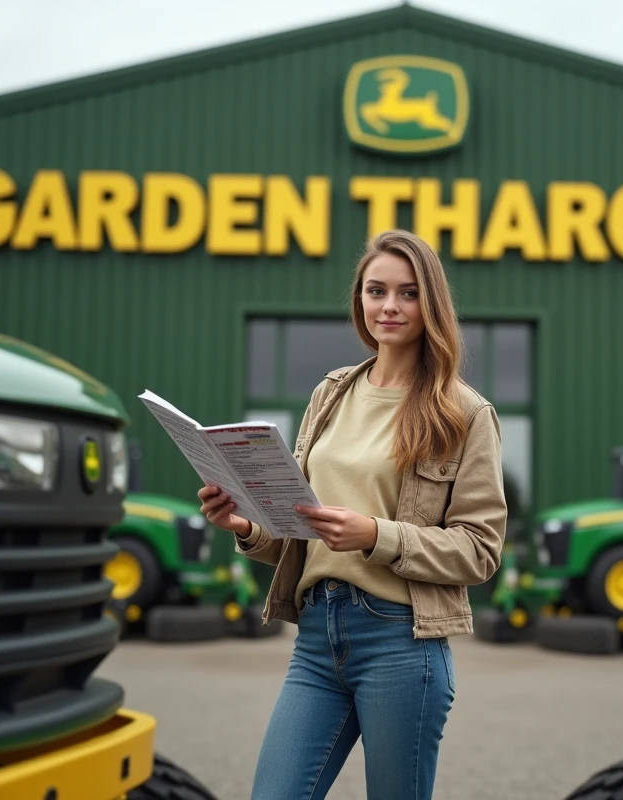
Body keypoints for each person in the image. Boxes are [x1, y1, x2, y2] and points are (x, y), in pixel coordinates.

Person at [197, 228, 508, 800]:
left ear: (431, 303)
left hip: (400, 641)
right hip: (317, 637)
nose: (389, 306)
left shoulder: (464, 412)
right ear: (360, 300)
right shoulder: (331, 393)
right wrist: (245, 523)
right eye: (376, 291)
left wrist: (376, 535)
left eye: (408, 293)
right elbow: (294, 526)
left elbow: (480, 550)